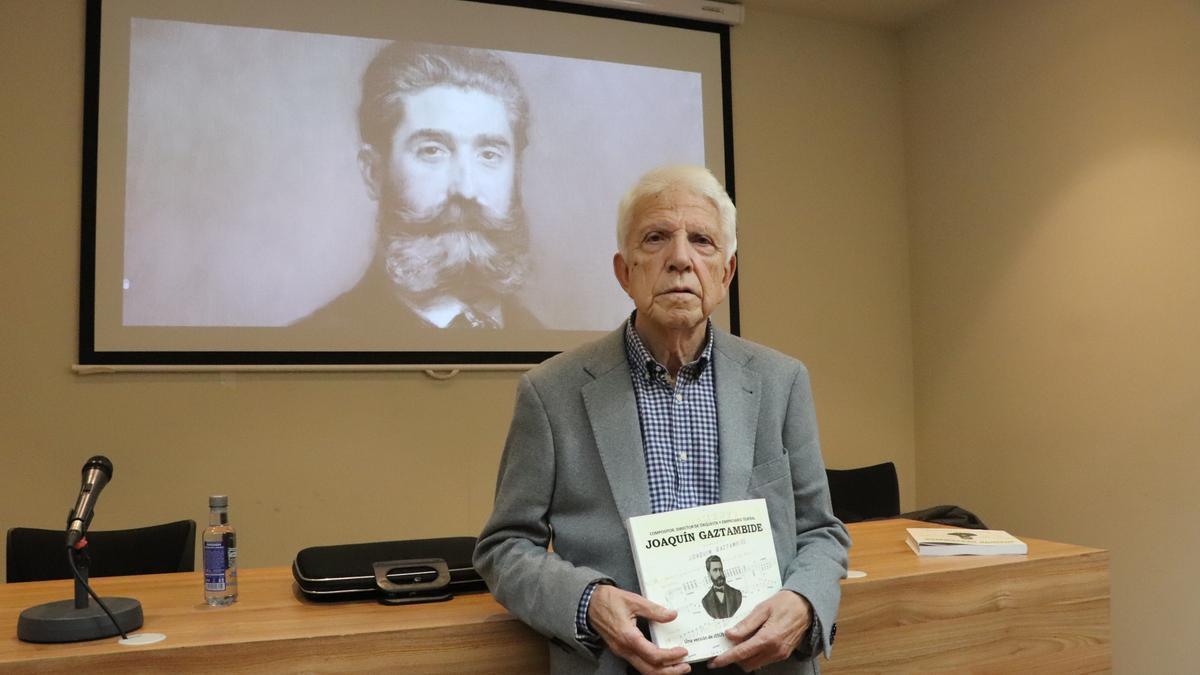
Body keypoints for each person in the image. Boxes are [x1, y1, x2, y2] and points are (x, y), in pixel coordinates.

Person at [474, 164, 850, 674]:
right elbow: (504, 547)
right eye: (656, 239)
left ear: (727, 272)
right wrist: (589, 602)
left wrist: (804, 601)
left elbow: (821, 532)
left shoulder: (780, 381)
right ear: (624, 271)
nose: (680, 259)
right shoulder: (550, 392)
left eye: (702, 241)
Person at [293, 42, 541, 332]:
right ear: (374, 172)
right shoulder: (319, 338)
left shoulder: (552, 352)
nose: (465, 189)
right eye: (432, 151)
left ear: (517, 174)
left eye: (489, 155)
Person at [700, 555, 742, 620]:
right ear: (709, 574)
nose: (719, 574)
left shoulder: (737, 594)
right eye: (715, 570)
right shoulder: (705, 601)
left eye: (720, 569)